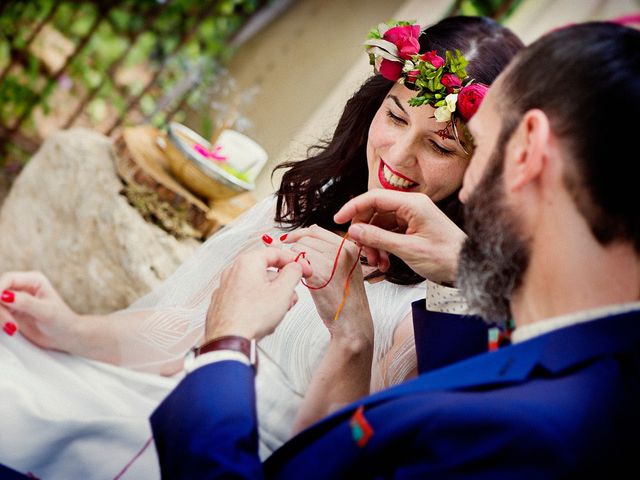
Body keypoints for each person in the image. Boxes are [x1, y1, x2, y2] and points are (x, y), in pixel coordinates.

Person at [0, 16, 523, 479]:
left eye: (439, 145)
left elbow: (323, 459)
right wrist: (68, 327)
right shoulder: (313, 197)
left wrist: (352, 335)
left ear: (483, 168)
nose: (398, 155)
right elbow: (182, 330)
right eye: (395, 116)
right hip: (171, 400)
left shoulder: (443, 312)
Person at [150, 21, 640, 478]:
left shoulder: (531, 435)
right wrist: (464, 273)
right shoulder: (592, 364)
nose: (468, 194)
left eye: (477, 147)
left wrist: (226, 347)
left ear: (528, 148)